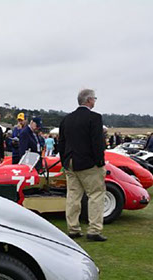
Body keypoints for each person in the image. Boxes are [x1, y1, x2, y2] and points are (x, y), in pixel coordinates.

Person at [58, 88, 107, 242]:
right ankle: (94, 230)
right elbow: (97, 142)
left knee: (73, 196)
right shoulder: (95, 118)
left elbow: (62, 143)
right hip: (88, 163)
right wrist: (100, 161)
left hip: (70, 162)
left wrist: (64, 161)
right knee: (96, 195)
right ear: (89, 100)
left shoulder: (67, 119)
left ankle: (73, 228)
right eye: (94, 99)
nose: (95, 101)